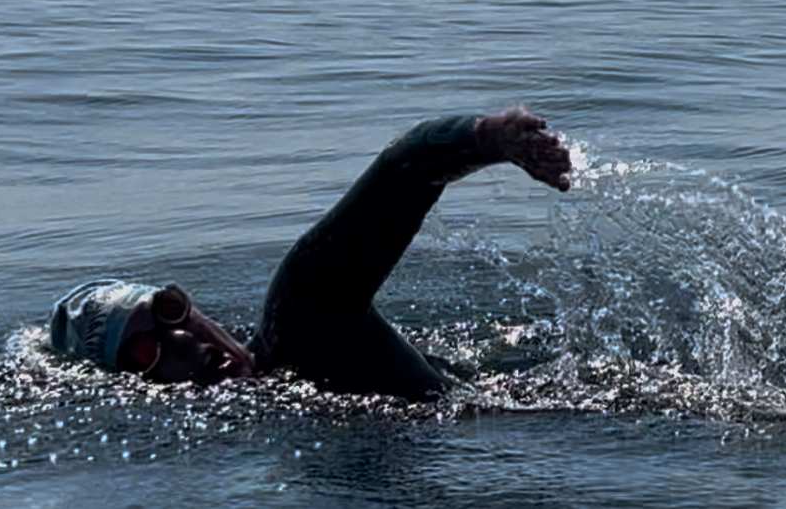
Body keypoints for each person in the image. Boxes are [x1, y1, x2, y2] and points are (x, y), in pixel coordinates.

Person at [49, 107, 572, 401]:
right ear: (129, 387)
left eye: (170, 311)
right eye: (147, 351)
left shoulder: (302, 317)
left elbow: (399, 172)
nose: (183, 338)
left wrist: (485, 138)